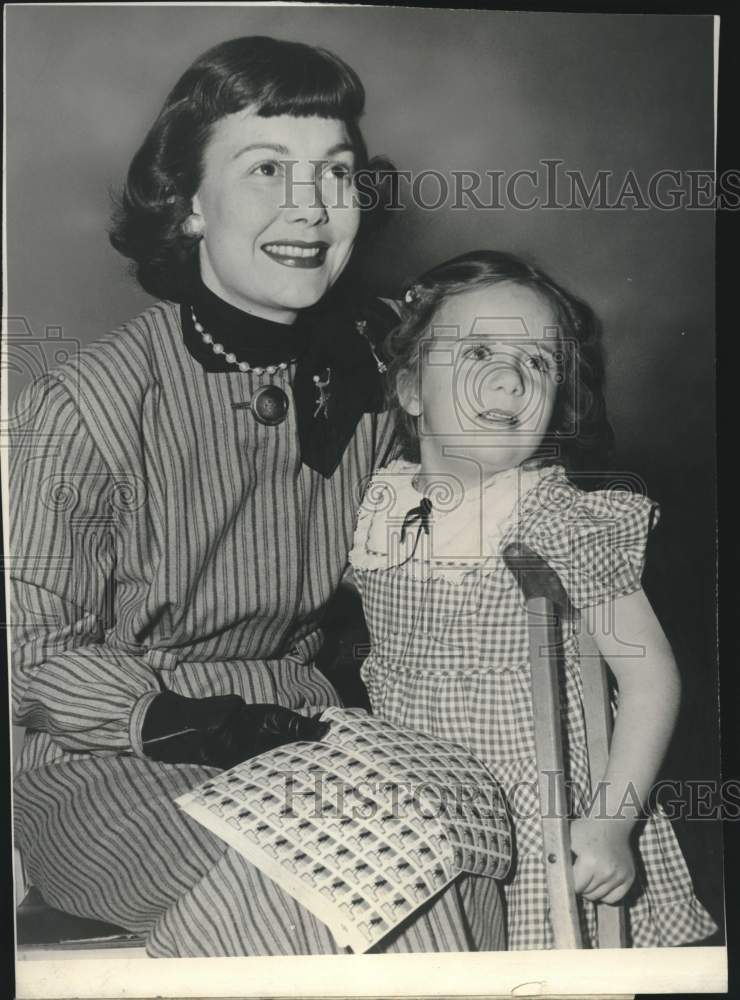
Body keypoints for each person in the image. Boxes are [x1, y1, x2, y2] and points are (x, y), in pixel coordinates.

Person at [9, 37, 505, 957]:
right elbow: (28, 653)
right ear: (189, 204)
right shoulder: (85, 403)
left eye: (336, 172)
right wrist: (181, 720)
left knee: (458, 859)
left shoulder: (376, 371)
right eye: (268, 169)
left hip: (310, 732)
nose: (311, 208)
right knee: (319, 890)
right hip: (109, 760)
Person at [348, 250, 718, 949]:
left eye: (540, 362)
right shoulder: (381, 499)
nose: (511, 376)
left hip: (535, 822)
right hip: (414, 811)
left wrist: (611, 822)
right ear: (410, 390)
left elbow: (649, 677)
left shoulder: (551, 516)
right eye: (480, 349)